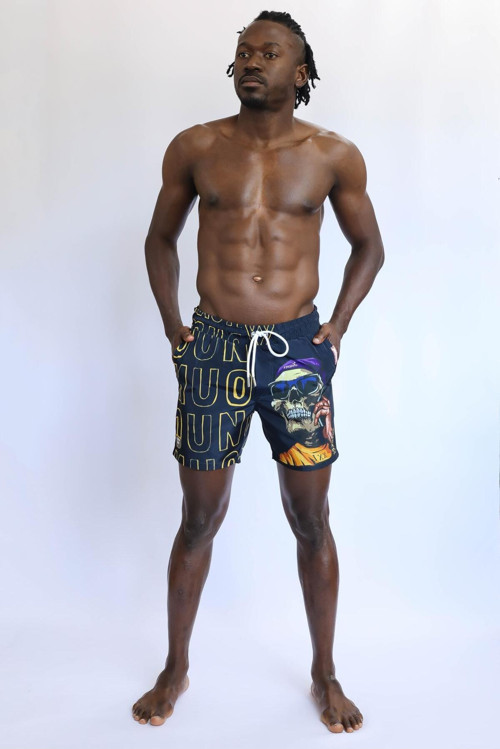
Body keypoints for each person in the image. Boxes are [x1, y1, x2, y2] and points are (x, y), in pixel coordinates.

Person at [132, 10, 384, 734]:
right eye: (244, 51)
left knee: (311, 519)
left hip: (298, 355)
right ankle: (176, 667)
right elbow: (159, 239)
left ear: (299, 72)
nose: (251, 61)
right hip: (212, 347)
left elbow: (369, 247)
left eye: (269, 53)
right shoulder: (196, 147)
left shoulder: (333, 155)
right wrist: (175, 330)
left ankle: (325, 672)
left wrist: (336, 327)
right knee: (199, 518)